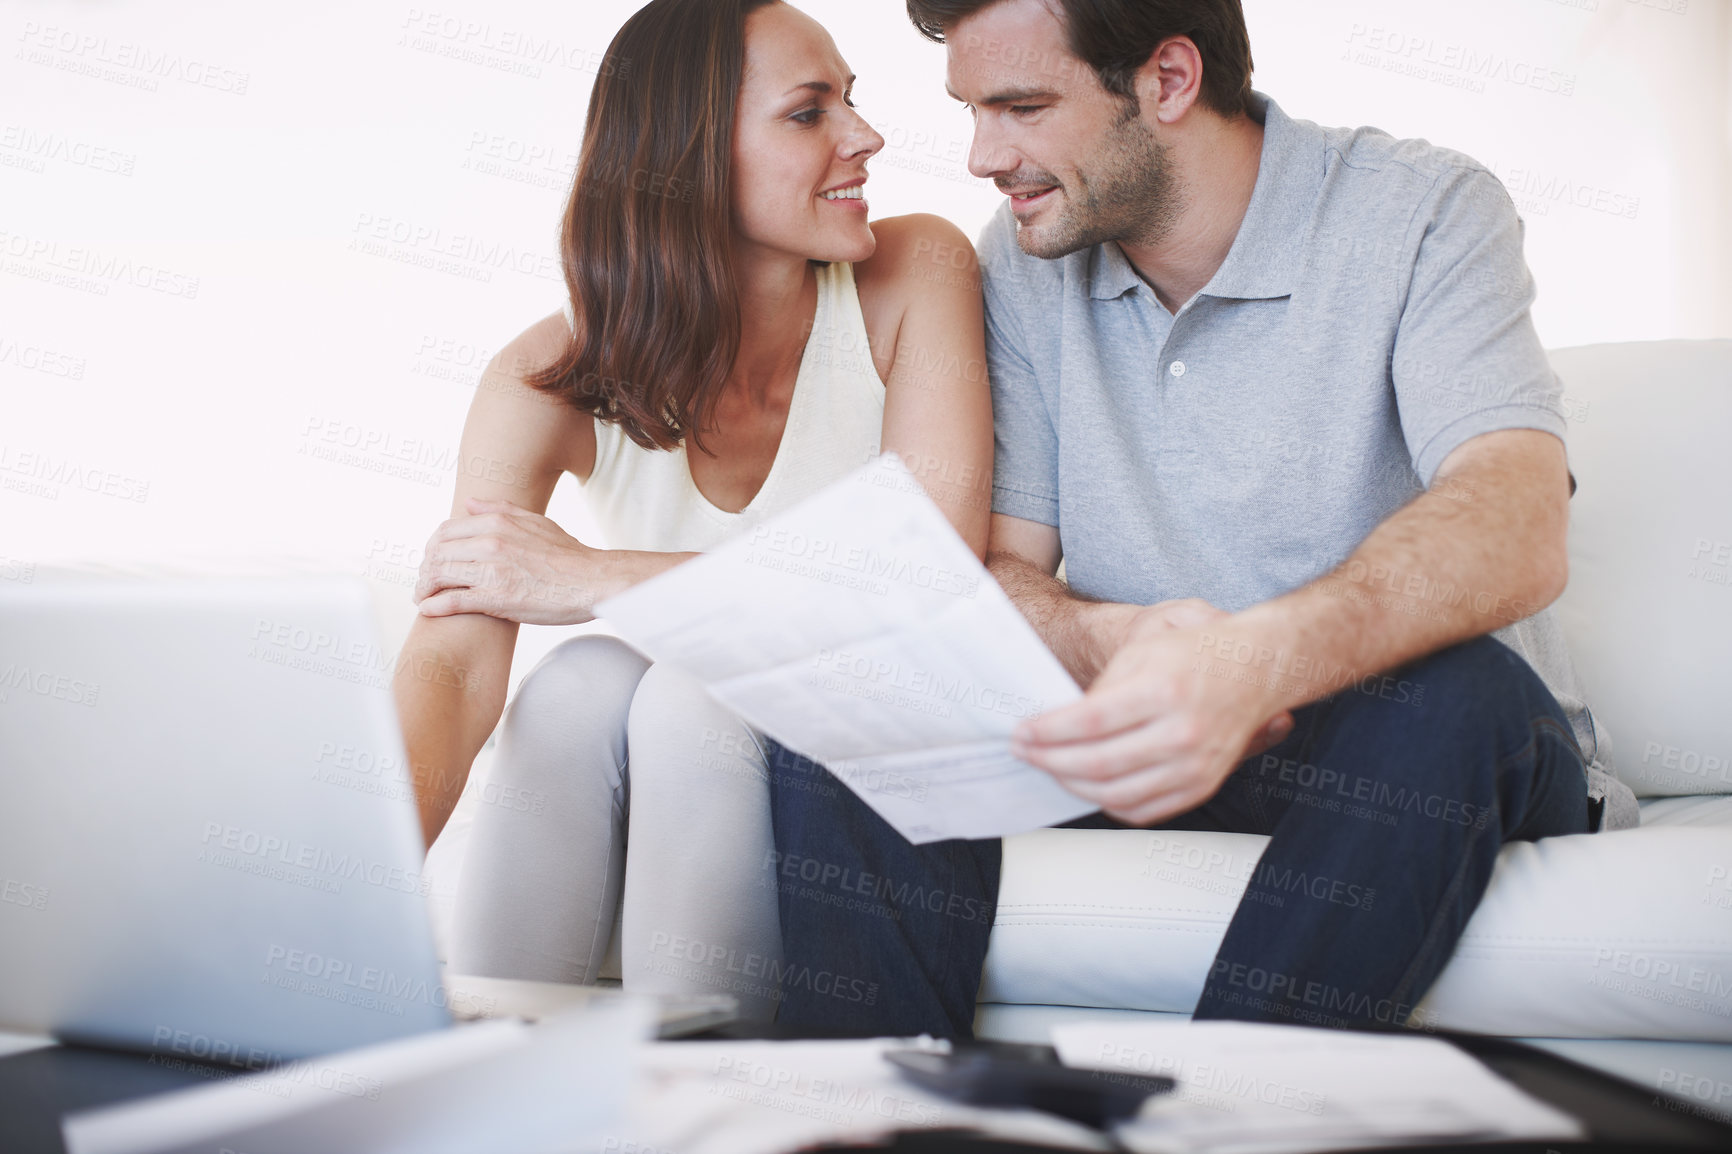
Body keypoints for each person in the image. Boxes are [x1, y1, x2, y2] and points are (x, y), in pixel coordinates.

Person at [764, 0, 1639, 1039]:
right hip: (1143, 725)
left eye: (1022, 108)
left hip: (1409, 740)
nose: (981, 157)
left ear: (1169, 81)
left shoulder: (1421, 211)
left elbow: (1518, 515)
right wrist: (1101, 633)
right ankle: (889, 1119)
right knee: (858, 681)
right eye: (972, 111)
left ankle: (1213, 1117)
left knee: (1455, 688)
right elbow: (1003, 567)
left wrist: (1254, 659)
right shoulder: (1025, 260)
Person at [390, 0, 992, 1022]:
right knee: (576, 681)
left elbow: (927, 581)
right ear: (685, 157)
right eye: (811, 112)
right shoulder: (542, 375)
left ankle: (704, 1102)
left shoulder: (916, 269)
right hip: (670, 732)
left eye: (851, 99)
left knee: (689, 693)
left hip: (874, 735)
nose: (866, 135)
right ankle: (474, 1090)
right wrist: (339, 876)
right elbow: (454, 657)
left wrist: (593, 574)